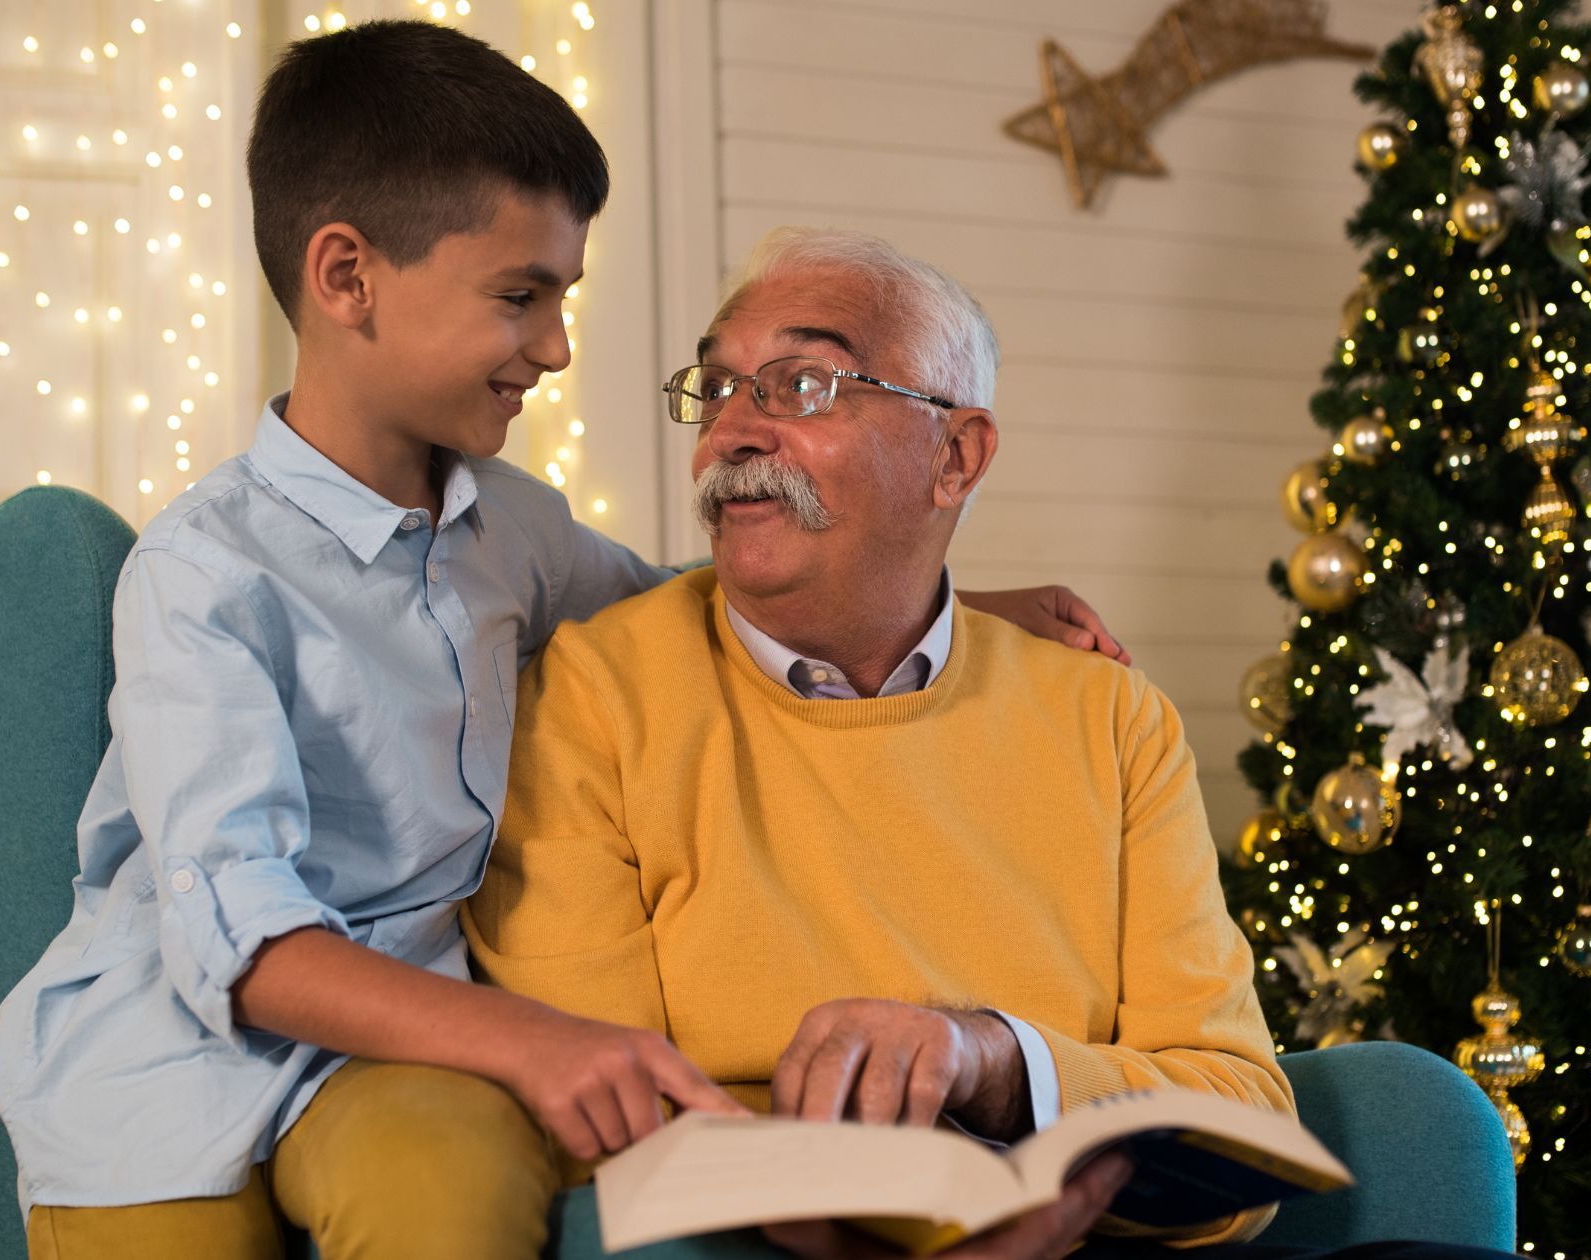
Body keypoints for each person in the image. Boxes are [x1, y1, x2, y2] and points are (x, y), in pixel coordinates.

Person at [0, 26, 1121, 1260]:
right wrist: (540, 1040)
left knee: (450, 1185)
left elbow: (683, 605)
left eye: (562, 299)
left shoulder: (507, 527)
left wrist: (959, 606)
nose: (556, 347)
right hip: (168, 1065)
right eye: (520, 297)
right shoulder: (203, 574)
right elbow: (242, 940)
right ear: (346, 277)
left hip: (400, 1064)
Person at [464, 228, 1521, 1260]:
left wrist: (991, 1059)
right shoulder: (587, 701)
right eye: (719, 389)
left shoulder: (1110, 722)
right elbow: (598, 1112)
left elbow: (1238, 1106)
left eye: (799, 386)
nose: (731, 433)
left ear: (954, 456)